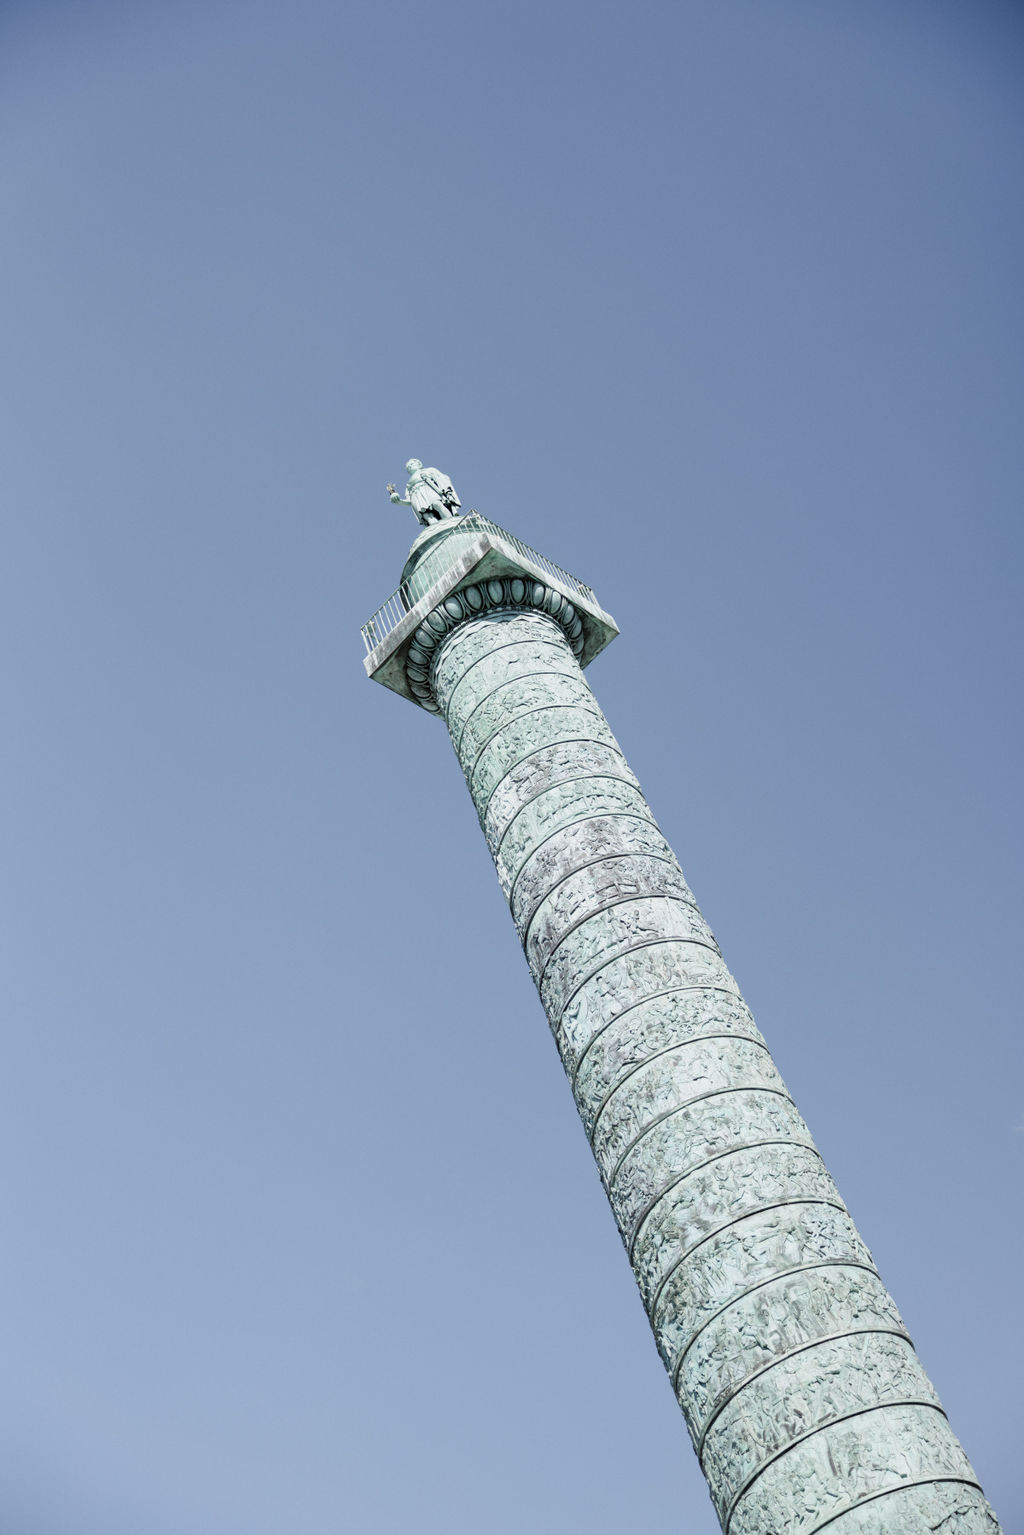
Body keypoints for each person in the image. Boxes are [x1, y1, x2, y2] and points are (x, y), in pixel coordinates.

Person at [386, 459, 461, 526]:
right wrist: (399, 501)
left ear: (419, 464)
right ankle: (437, 529)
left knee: (437, 504)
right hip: (416, 496)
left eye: (411, 464)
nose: (409, 467)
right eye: (408, 467)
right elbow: (409, 501)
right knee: (427, 515)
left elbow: (443, 480)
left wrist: (446, 492)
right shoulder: (408, 484)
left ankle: (451, 523)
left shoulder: (429, 470)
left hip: (428, 490)